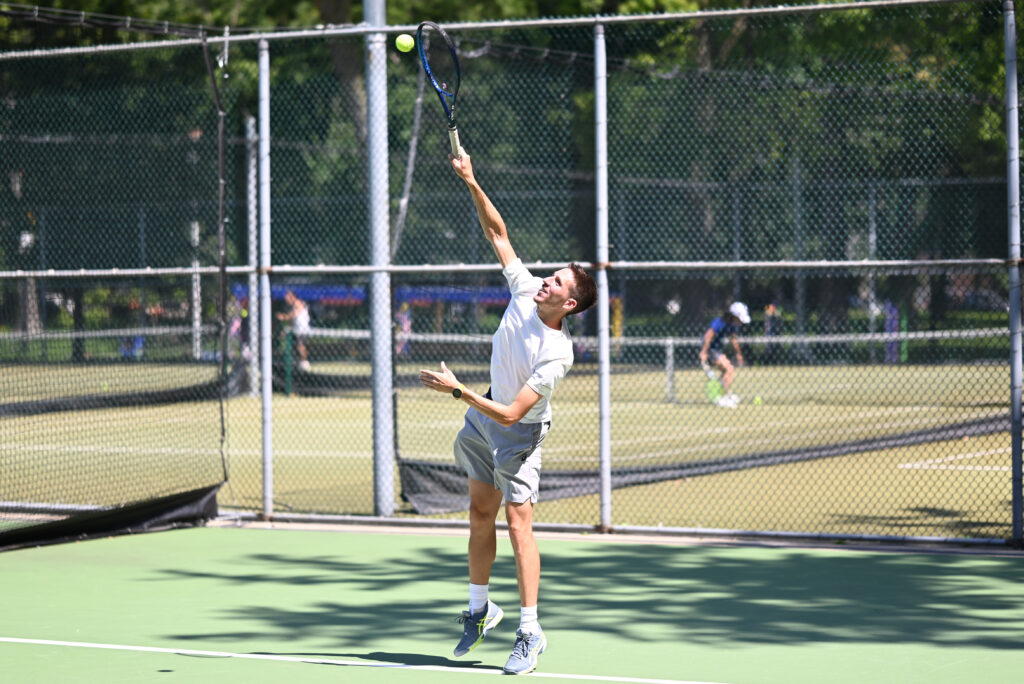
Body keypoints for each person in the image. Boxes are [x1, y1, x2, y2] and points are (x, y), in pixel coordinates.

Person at [418, 148, 597, 676]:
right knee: (478, 515)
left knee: (520, 528)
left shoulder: (557, 353)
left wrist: (457, 391)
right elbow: (498, 233)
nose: (547, 280)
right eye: (552, 276)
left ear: (568, 305)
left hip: (516, 434)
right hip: (481, 418)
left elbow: (512, 416)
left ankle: (530, 631)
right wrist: (471, 181)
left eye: (558, 283)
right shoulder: (524, 291)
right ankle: (479, 611)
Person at [698, 301, 750, 407]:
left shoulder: (732, 325)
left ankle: (721, 395)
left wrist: (739, 354)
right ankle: (722, 398)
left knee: (727, 372)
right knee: (729, 370)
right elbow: (708, 336)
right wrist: (704, 352)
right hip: (710, 349)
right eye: (739, 319)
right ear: (733, 316)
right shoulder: (719, 322)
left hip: (716, 350)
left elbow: (734, 339)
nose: (740, 322)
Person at [276, 289, 311, 371]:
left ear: (293, 297)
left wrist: (283, 317)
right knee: (295, 346)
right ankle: (299, 362)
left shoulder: (298, 303)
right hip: (297, 329)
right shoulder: (294, 306)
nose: (286, 299)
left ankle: (305, 362)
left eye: (288, 297)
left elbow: (292, 316)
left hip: (303, 329)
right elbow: (292, 321)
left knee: (301, 346)